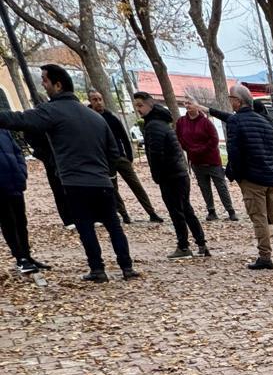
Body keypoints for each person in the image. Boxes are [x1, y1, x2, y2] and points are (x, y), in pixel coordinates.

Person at [0, 64, 137, 282]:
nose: (42, 85)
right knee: (113, 225)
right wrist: (106, 173)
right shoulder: (95, 117)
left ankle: (97, 269)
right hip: (102, 181)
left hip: (75, 181)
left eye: (45, 80)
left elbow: (20, 120)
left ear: (58, 84)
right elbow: (113, 151)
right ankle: (126, 267)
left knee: (85, 226)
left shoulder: (53, 111)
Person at [131, 92, 209, 259]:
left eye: (140, 105)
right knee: (186, 209)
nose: (138, 109)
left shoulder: (153, 126)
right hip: (178, 172)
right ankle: (201, 243)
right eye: (136, 106)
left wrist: (157, 174)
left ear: (149, 105)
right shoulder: (161, 123)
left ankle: (184, 246)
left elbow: (156, 153)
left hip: (171, 174)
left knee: (177, 211)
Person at [222, 83, 273, 270]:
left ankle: (265, 256)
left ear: (237, 101)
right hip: (271, 176)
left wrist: (236, 174)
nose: (230, 103)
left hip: (252, 178)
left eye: (231, 99)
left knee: (259, 217)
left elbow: (234, 152)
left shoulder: (235, 122)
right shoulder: (266, 122)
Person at [86, 87, 162, 225]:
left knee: (136, 185)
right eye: (95, 100)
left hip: (120, 157)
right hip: (104, 161)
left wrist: (129, 156)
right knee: (112, 189)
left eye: (100, 99)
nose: (98, 102)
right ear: (90, 101)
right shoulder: (88, 119)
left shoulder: (111, 117)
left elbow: (123, 137)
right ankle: (124, 214)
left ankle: (151, 212)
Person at [176, 96, 237, 221]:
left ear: (197, 105)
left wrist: (200, 150)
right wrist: (189, 149)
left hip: (212, 160)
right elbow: (179, 137)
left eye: (190, 103)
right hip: (196, 161)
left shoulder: (206, 122)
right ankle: (211, 210)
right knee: (204, 187)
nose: (188, 105)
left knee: (221, 186)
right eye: (186, 103)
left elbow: (214, 139)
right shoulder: (181, 122)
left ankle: (230, 211)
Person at [0, 127, 44, 274]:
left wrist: (21, 172)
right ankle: (20, 258)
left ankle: (26, 255)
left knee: (21, 221)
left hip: (14, 183)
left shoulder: (3, 131)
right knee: (8, 222)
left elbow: (18, 152)